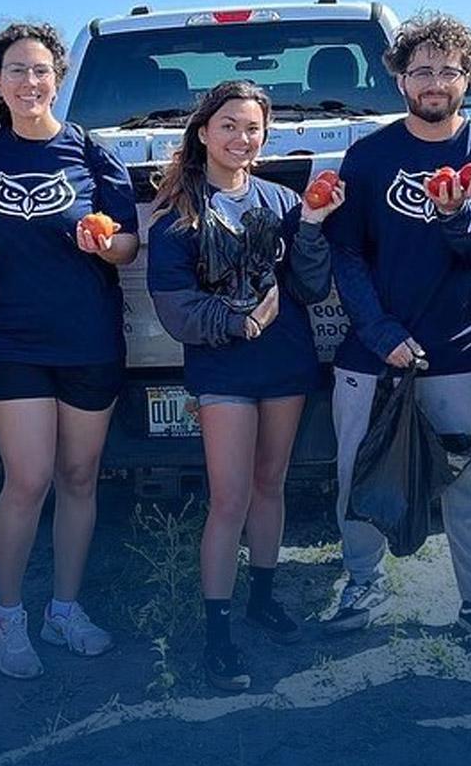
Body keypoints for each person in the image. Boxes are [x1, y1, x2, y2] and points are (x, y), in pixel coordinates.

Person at [320, 13, 471, 655]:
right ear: (400, 79)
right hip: (376, 353)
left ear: (468, 77)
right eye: (422, 71)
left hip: (466, 348)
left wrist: (458, 215)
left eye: (448, 70)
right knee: (360, 474)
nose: (435, 82)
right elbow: (345, 255)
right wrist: (379, 332)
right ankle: (363, 583)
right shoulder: (370, 156)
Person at [145, 80, 338, 691]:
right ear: (204, 132)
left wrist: (310, 226)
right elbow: (173, 306)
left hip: (285, 362)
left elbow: (309, 286)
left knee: (269, 485)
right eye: (228, 125)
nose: (241, 137)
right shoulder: (178, 213)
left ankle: (262, 595)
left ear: (264, 135)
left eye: (252, 127)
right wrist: (239, 320)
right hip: (222, 365)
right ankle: (217, 630)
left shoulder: (281, 200)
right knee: (228, 497)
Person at [0, 22, 140, 679]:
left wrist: (107, 245)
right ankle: (7, 614)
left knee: (77, 478)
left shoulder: (92, 152)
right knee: (28, 479)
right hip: (13, 338)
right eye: (16, 70)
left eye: (41, 71)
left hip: (89, 336)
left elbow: (128, 243)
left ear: (58, 80)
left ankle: (63, 608)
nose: (30, 82)